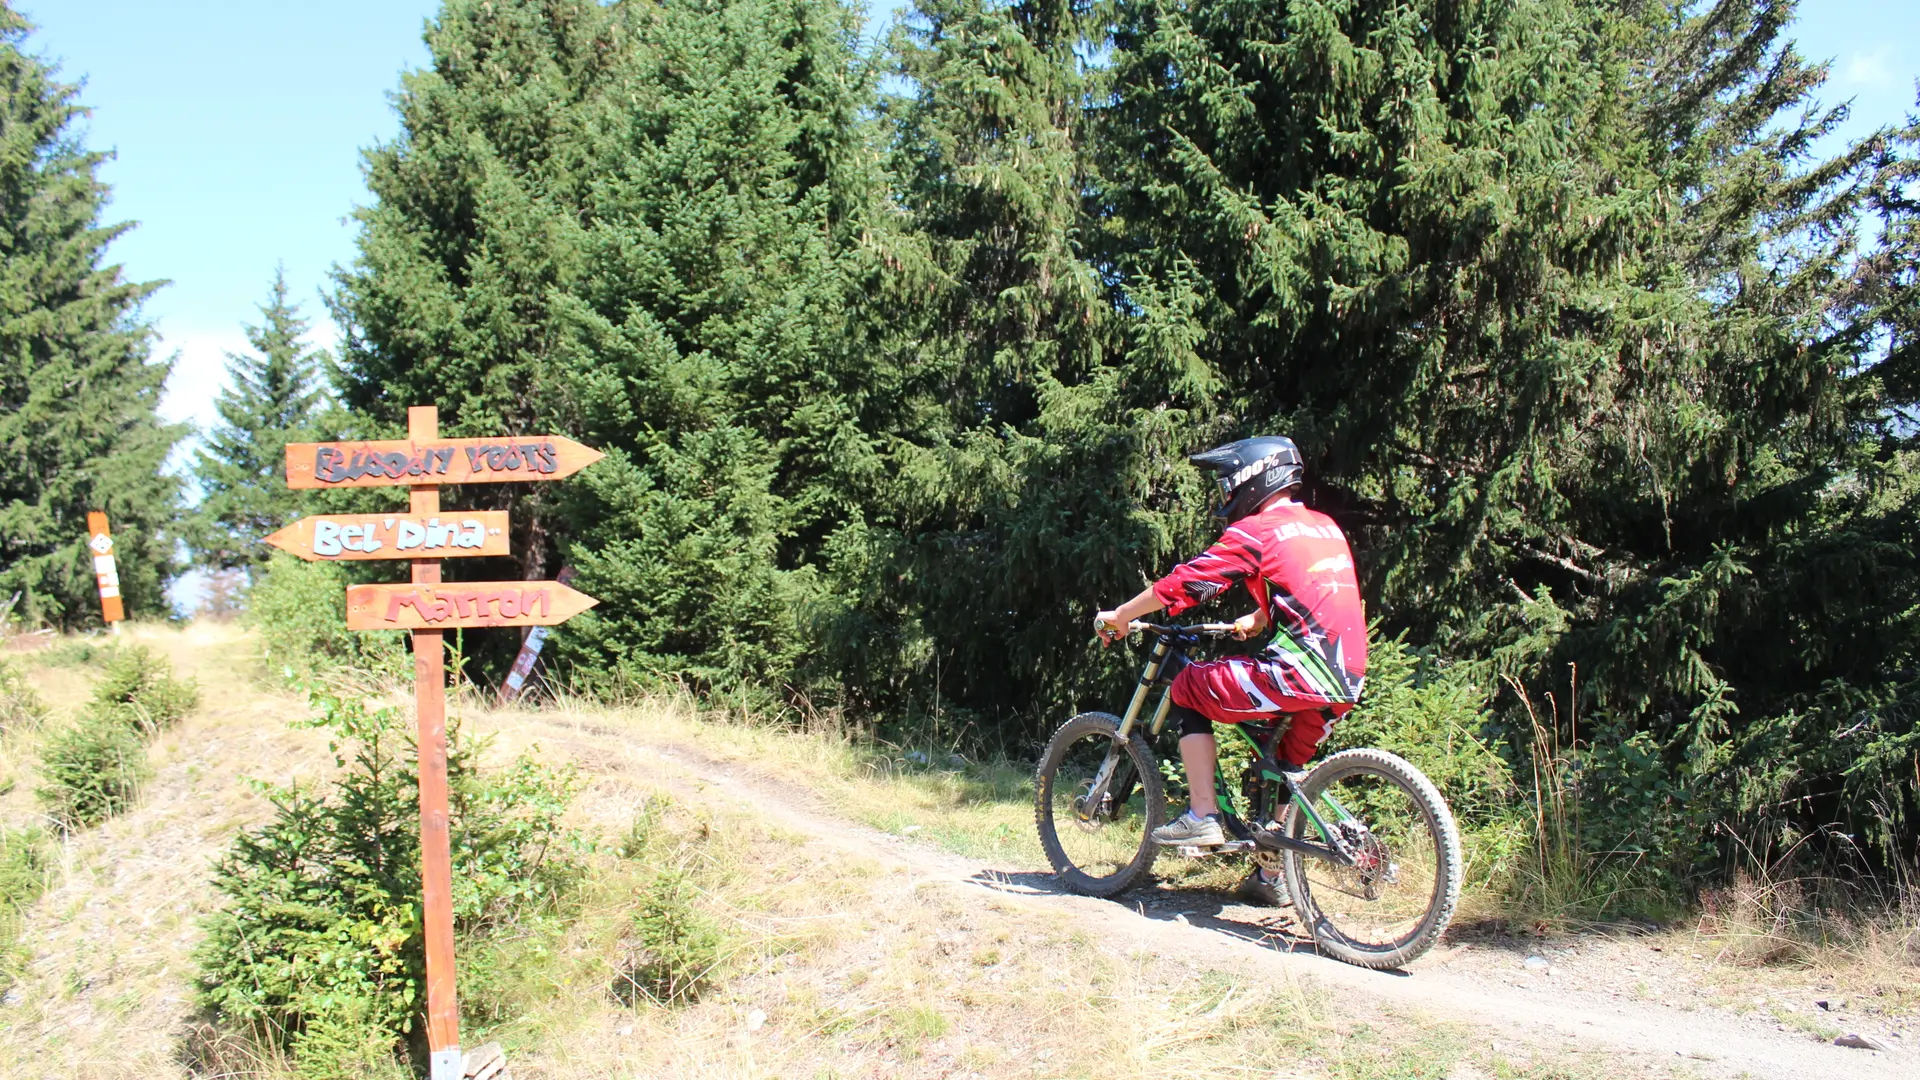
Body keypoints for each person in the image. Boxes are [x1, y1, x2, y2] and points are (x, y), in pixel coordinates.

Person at [1095, 436, 1368, 905]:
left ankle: (1203, 815)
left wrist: (1122, 614)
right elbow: (1318, 586)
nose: (1224, 493)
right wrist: (1260, 618)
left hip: (1300, 670)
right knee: (1286, 762)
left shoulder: (1259, 530)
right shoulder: (1322, 526)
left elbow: (1188, 583)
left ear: (1252, 478)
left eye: (1227, 482)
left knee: (1186, 687)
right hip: (1347, 674)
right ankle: (1272, 876)